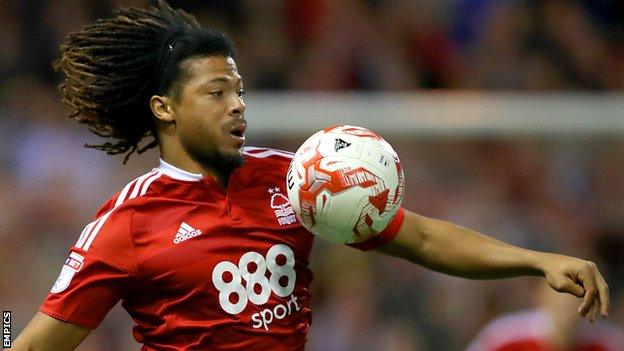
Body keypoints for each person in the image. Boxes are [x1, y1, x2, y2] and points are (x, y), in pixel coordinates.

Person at [13, 1, 609, 350]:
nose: (238, 105)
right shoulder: (129, 222)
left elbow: (423, 239)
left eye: (240, 90)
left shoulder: (297, 179)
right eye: (217, 92)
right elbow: (36, 343)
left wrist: (538, 260)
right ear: (164, 108)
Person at [466, 284, 624, 351]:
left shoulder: (608, 343)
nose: (568, 312)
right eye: (561, 303)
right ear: (542, 298)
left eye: (578, 304)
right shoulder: (505, 336)